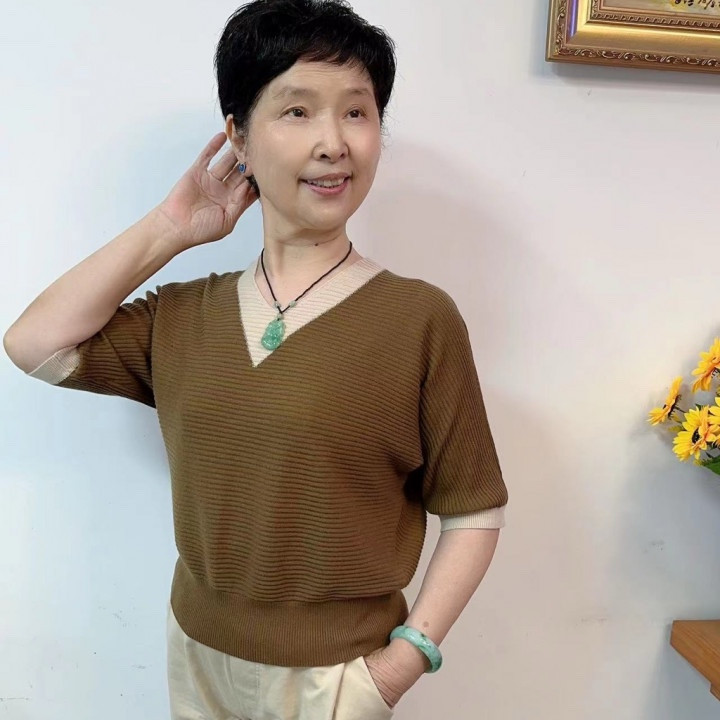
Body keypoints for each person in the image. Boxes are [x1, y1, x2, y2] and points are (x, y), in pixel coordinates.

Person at [3, 1, 509, 718]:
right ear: (238, 135)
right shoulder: (182, 315)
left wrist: (400, 665)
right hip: (197, 657)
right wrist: (172, 227)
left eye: (357, 113)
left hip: (337, 678)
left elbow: (474, 509)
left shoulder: (418, 318)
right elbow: (34, 345)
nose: (333, 143)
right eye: (297, 111)